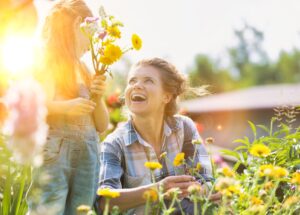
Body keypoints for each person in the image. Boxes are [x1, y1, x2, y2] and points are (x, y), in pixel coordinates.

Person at [96, 58, 221, 214]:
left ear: (166, 96)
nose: (136, 85)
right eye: (132, 80)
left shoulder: (184, 128)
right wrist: (158, 189)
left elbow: (205, 178)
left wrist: (203, 190)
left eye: (148, 80)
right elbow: (103, 203)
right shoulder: (114, 144)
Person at [27, 0, 109, 214]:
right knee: (49, 206)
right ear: (78, 24)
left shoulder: (86, 70)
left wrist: (98, 99)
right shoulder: (50, 63)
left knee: (82, 209)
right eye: (91, 36)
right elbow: (37, 105)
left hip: (88, 155)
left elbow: (102, 125)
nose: (90, 45)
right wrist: (66, 108)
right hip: (56, 152)